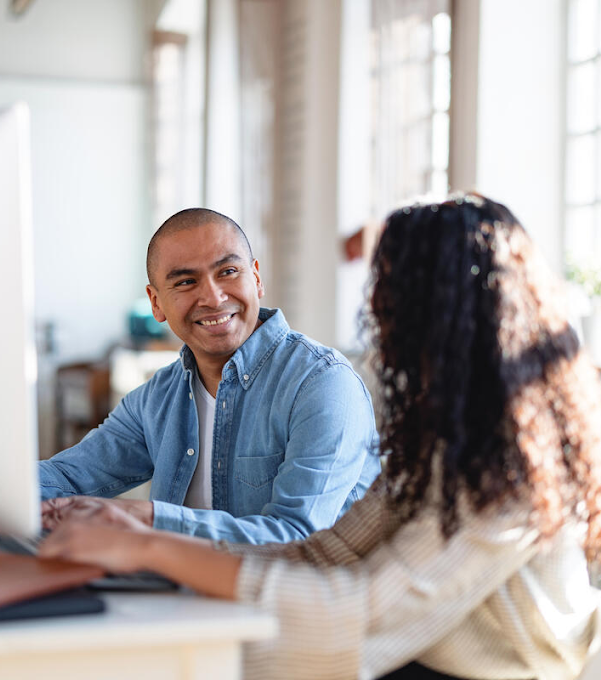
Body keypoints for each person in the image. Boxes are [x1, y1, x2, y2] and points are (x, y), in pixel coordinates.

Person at [40, 195, 601, 680]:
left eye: (391, 301)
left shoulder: (515, 465)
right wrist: (146, 541)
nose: (378, 321)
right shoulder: (448, 437)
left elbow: (358, 613)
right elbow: (322, 551)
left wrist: (147, 542)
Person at [40, 208, 380, 544]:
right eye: (186, 281)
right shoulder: (156, 399)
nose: (214, 297)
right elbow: (66, 477)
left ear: (256, 279)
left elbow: (296, 539)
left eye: (228, 271)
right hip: (180, 594)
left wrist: (151, 520)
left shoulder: (322, 384)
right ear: (156, 303)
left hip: (287, 597)